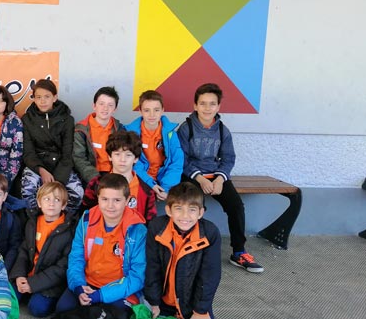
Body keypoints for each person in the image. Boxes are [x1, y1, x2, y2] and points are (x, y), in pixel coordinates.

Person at [177, 83, 263, 273]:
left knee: (236, 206)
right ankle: (190, 248)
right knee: (193, 206)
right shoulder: (186, 129)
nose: (207, 108)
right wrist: (200, 179)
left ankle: (239, 252)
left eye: (212, 104)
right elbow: (181, 159)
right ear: (195, 106)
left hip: (216, 176)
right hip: (193, 176)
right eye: (203, 103)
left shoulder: (223, 130)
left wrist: (219, 179)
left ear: (218, 107)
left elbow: (229, 158)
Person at [57, 174, 145, 316]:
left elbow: (137, 277)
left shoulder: (137, 230)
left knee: (116, 315)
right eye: (104, 199)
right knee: (63, 309)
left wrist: (100, 295)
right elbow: (76, 257)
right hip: (88, 283)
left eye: (117, 200)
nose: (110, 206)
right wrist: (79, 286)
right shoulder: (87, 219)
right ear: (98, 198)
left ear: (127, 200)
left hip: (119, 290)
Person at [145, 182, 221, 319]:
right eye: (179, 208)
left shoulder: (210, 233)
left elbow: (210, 276)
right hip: (162, 303)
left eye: (192, 209)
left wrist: (200, 310)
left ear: (200, 213)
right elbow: (152, 267)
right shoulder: (156, 228)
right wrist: (153, 302)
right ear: (169, 210)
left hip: (192, 305)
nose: (185, 216)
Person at [9, 182, 75, 317]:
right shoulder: (32, 222)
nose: (51, 203)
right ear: (39, 203)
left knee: (36, 309)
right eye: (46, 199)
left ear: (63, 205)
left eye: (57, 200)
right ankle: (27, 291)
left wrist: (33, 284)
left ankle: (37, 295)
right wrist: (19, 275)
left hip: (51, 283)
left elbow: (62, 267)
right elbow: (24, 251)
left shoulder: (69, 230)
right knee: (8, 300)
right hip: (28, 275)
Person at [21, 79, 84, 216]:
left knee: (77, 193)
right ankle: (36, 221)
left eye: (47, 96)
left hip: (61, 164)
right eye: (38, 97)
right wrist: (41, 170)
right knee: (27, 189)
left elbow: (68, 153)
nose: (42, 101)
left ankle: (64, 221)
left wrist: (58, 180)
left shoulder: (67, 119)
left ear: (54, 97)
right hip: (38, 165)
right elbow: (28, 152)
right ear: (34, 99)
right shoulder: (27, 119)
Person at [81, 131, 157, 222]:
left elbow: (150, 223)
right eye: (117, 154)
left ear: (136, 159)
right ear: (110, 156)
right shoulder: (96, 184)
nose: (122, 160)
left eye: (128, 155)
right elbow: (85, 217)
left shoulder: (147, 191)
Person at [125, 90, 183, 201]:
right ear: (140, 111)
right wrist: (151, 184)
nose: (152, 115)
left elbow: (176, 162)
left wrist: (166, 188)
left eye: (156, 110)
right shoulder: (131, 133)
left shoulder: (170, 133)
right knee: (141, 199)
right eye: (147, 110)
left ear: (162, 111)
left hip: (165, 178)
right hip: (142, 178)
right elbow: (133, 163)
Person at [72, 86, 125, 186]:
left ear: (115, 109)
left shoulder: (120, 130)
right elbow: (79, 158)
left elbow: (124, 156)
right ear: (94, 106)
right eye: (101, 104)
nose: (105, 108)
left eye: (110, 105)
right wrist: (96, 180)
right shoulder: (81, 129)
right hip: (89, 175)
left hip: (114, 174)